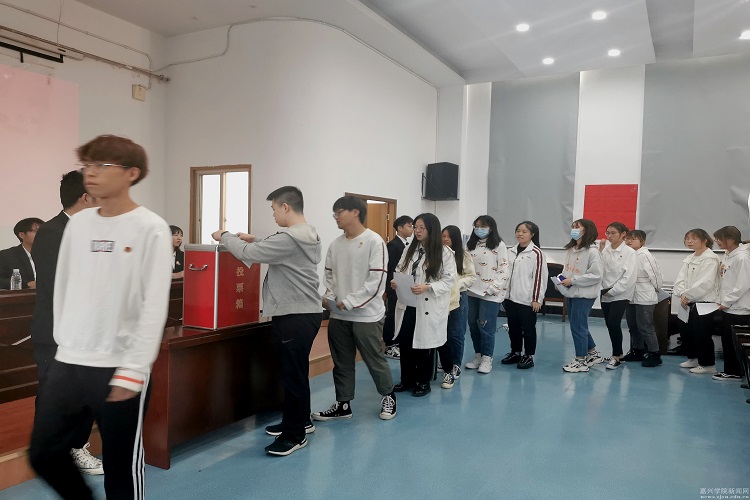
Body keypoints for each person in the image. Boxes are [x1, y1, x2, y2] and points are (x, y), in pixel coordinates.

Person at [28, 135, 173, 500]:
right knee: (43, 453)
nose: (90, 173)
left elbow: (153, 304)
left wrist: (134, 369)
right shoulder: (79, 225)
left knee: (121, 471)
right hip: (70, 361)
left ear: (131, 173)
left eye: (101, 165)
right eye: (87, 165)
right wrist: (64, 345)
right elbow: (65, 288)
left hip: (118, 366)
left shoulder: (150, 227)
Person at [213, 186, 322, 456]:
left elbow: (249, 254)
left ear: (285, 207)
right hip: (304, 313)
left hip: (294, 315)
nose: (273, 214)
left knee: (292, 375)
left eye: (274, 209)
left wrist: (225, 235)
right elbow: (277, 251)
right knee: (296, 372)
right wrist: (257, 239)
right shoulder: (306, 234)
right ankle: (301, 421)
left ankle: (294, 435)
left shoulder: (289, 238)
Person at [30, 170, 101, 475]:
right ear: (85, 197)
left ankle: (76, 446)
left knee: (85, 393)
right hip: (58, 331)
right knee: (53, 393)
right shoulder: (52, 232)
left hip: (87, 330)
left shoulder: (91, 230)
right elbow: (60, 284)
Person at [312, 196, 397, 421]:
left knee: (374, 359)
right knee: (341, 362)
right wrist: (329, 297)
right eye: (334, 213)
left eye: (339, 212)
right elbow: (329, 276)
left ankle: (388, 395)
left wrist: (350, 301)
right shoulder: (336, 244)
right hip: (338, 315)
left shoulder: (374, 241)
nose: (336, 217)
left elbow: (377, 281)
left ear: (355, 212)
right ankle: (343, 404)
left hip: (366, 316)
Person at [391, 213, 455, 396]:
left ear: (431, 230)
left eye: (422, 228)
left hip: (428, 304)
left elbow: (448, 280)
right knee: (406, 343)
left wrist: (428, 287)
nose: (417, 231)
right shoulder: (409, 249)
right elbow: (399, 268)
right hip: (408, 303)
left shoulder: (444, 253)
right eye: (415, 227)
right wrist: (396, 281)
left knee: (424, 345)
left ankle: (423, 382)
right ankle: (407, 380)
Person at [556, 219, 603, 373]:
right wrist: (561, 279)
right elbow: (567, 269)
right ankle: (592, 353)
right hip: (571, 293)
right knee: (577, 324)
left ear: (586, 230)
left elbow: (596, 275)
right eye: (573, 227)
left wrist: (573, 280)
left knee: (578, 326)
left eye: (577, 227)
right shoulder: (571, 249)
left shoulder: (592, 251)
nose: (574, 230)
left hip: (584, 295)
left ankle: (581, 360)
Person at [500, 221, 548, 370]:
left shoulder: (536, 253)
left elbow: (539, 277)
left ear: (532, 234)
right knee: (513, 327)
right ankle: (515, 352)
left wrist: (536, 299)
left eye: (524, 231)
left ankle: (529, 356)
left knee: (528, 329)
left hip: (527, 299)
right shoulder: (510, 251)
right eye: (518, 231)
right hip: (510, 298)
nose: (520, 234)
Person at [673, 228, 721, 375]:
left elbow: (706, 282)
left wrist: (687, 295)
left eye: (693, 238)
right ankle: (693, 358)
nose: (689, 241)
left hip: (704, 302)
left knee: (702, 333)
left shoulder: (710, 258)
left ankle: (707, 364)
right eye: (687, 238)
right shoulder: (690, 258)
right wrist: (682, 293)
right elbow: (680, 279)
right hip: (688, 300)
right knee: (686, 330)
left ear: (704, 240)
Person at [465, 215, 508, 374]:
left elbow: (503, 269)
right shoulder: (470, 245)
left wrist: (493, 288)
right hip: (471, 291)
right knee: (473, 324)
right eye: (476, 226)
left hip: (490, 293)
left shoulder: (499, 245)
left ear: (491, 228)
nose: (479, 229)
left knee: (486, 327)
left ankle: (487, 359)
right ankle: (478, 356)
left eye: (483, 226)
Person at [437, 225, 476, 389]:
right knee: (442, 332)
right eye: (443, 236)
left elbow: (471, 276)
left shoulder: (464, 255)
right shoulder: (437, 253)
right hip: (440, 297)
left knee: (456, 333)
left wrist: (456, 284)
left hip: (459, 297)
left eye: (448, 236)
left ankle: (455, 364)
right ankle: (445, 361)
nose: (445, 239)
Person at [712, 226, 750, 381]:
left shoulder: (742, 258)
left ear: (731, 239)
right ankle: (732, 370)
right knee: (727, 341)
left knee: (734, 343)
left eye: (720, 239)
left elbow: (743, 284)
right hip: (729, 307)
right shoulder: (728, 255)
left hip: (739, 308)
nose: (717, 242)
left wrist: (727, 301)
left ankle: (735, 371)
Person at [623, 230, 665, 367]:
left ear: (642, 241)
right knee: (633, 326)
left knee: (645, 326)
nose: (629, 241)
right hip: (630, 295)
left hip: (645, 295)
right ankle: (637, 351)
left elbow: (656, 276)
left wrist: (656, 290)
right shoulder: (628, 254)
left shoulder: (645, 255)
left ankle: (655, 354)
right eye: (627, 239)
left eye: (633, 239)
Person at [598, 222, 637, 370]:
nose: (609, 236)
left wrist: (613, 291)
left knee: (614, 323)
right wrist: (603, 289)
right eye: (607, 233)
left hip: (621, 293)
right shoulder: (606, 250)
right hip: (605, 292)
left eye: (613, 233)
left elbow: (629, 277)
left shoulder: (629, 252)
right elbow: (600, 270)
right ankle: (618, 353)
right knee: (609, 324)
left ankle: (616, 357)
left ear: (623, 234)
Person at [383, 215, 413, 359]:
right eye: (409, 226)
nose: (412, 229)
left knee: (400, 315)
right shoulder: (394, 245)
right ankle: (390, 345)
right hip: (394, 287)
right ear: (400, 228)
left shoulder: (407, 245)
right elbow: (390, 269)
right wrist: (389, 288)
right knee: (392, 316)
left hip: (402, 287)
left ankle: (397, 342)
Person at [0, 217, 44, 289]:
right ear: (22, 235)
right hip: (24, 295)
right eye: (37, 231)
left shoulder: (51, 254)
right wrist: (27, 284)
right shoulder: (7, 256)